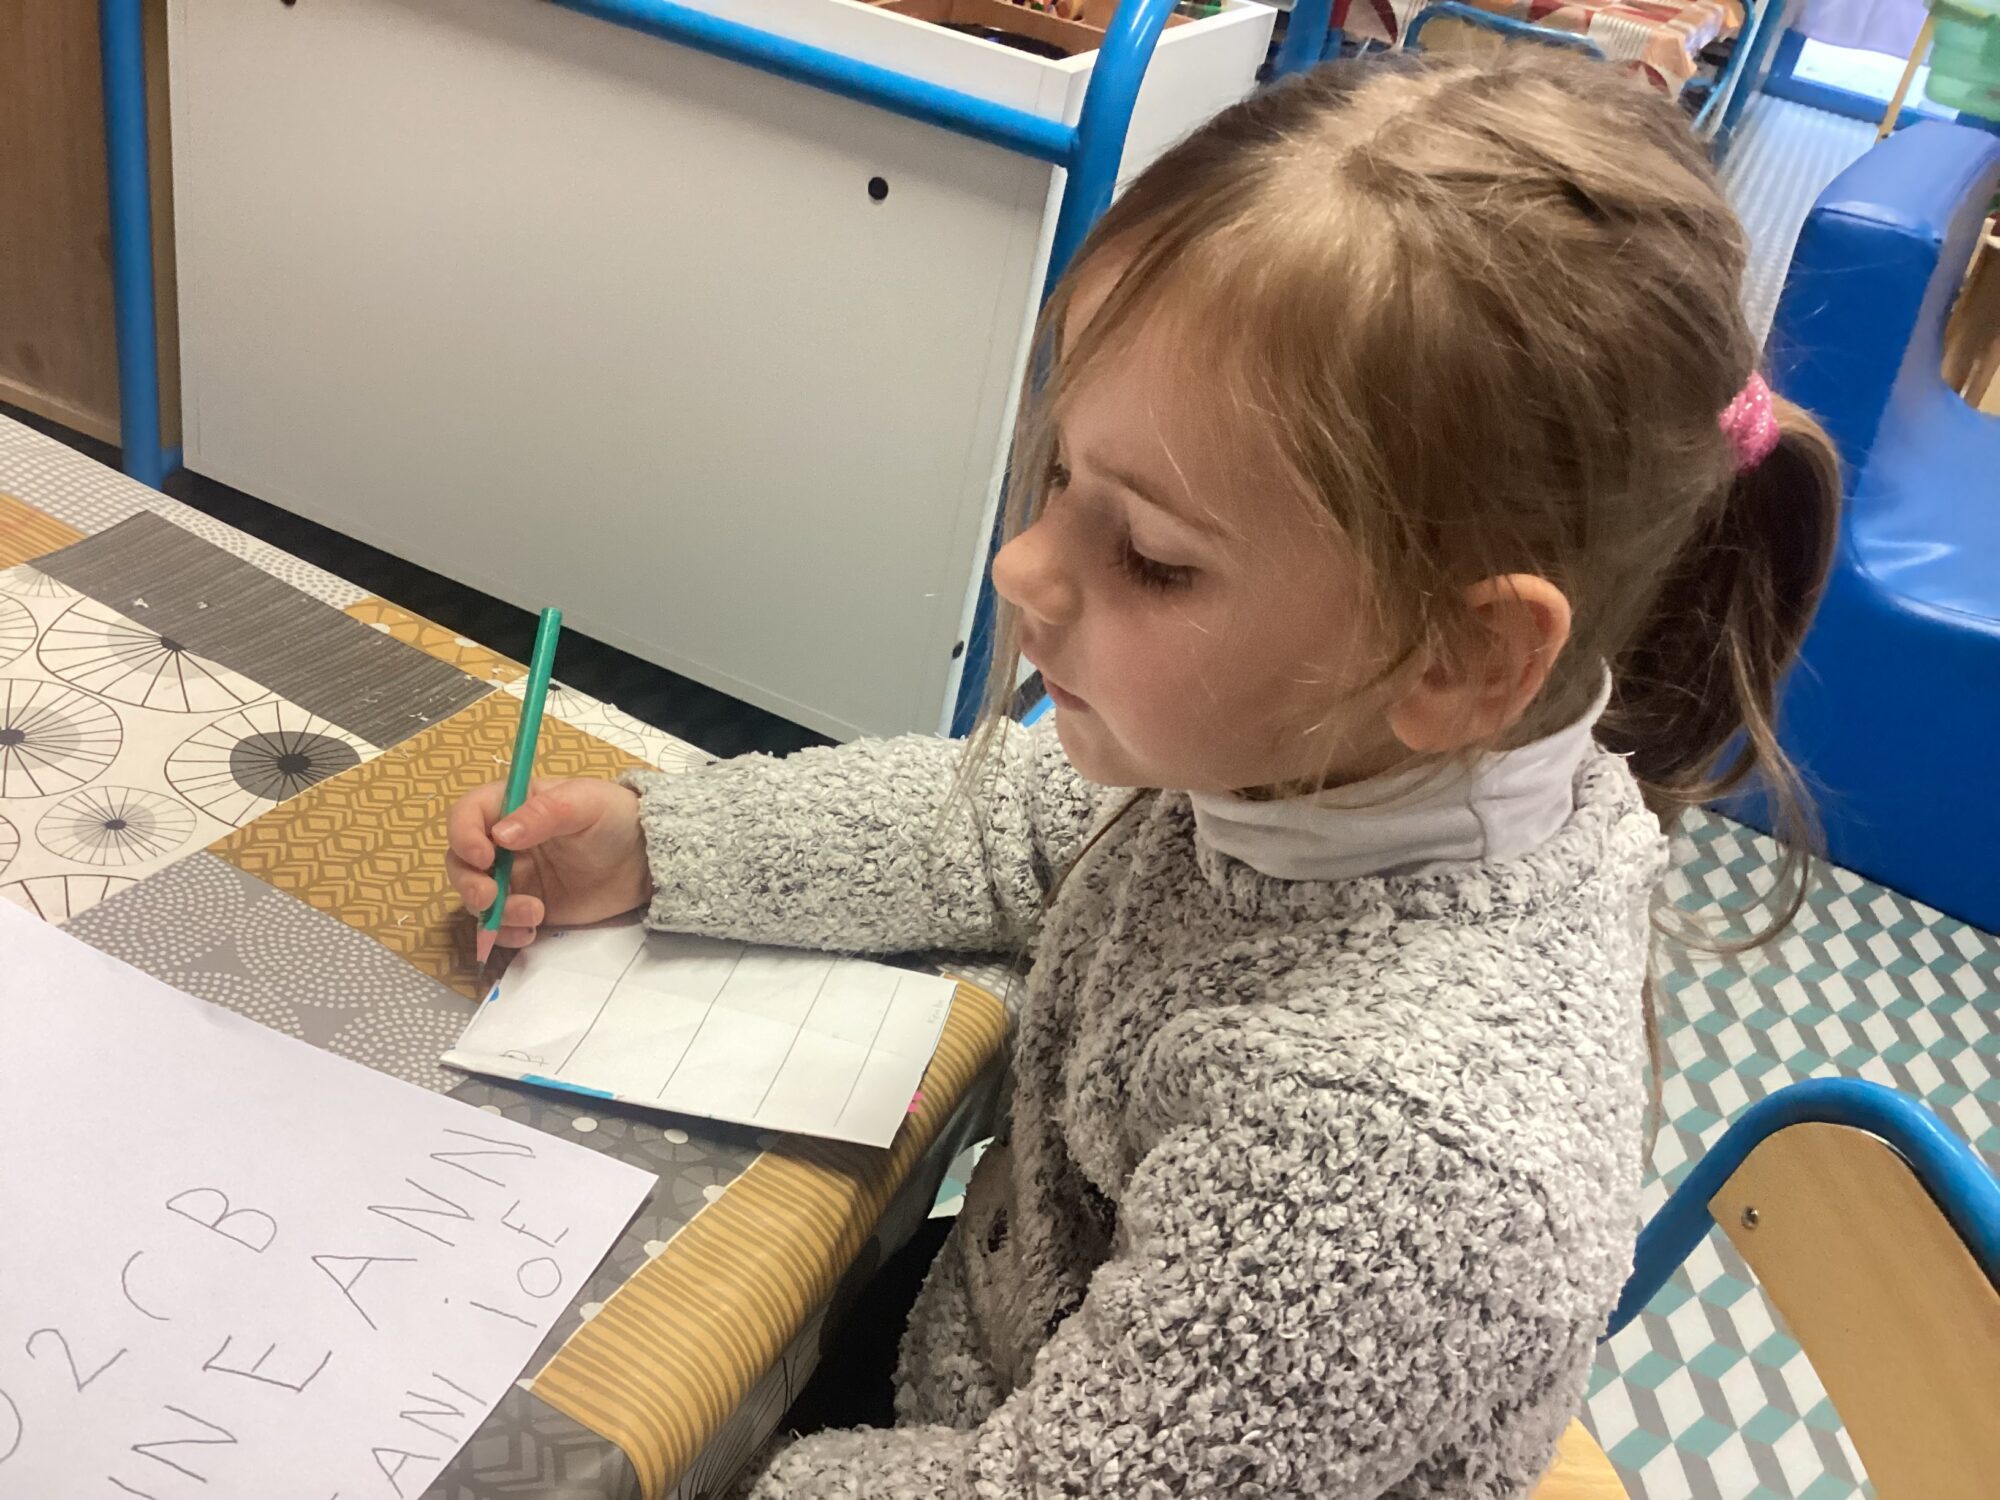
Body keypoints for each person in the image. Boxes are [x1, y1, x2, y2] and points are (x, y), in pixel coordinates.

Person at [444, 49, 1841, 1499]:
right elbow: (1015, 822)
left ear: (1462, 655)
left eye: (1155, 558)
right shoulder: (1327, 757)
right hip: (994, 1354)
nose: (1021, 566)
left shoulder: (1379, 1165)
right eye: (1063, 478)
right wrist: (659, 843)